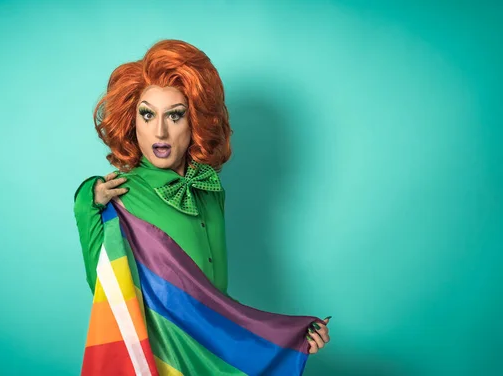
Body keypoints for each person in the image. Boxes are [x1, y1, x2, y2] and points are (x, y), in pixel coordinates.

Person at [73, 39, 330, 374]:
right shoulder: (119, 195)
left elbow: (216, 305)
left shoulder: (208, 190)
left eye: (175, 115)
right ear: (131, 121)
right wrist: (87, 203)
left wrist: (288, 339)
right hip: (161, 363)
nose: (159, 131)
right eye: (147, 114)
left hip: (210, 357)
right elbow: (107, 293)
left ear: (196, 120)